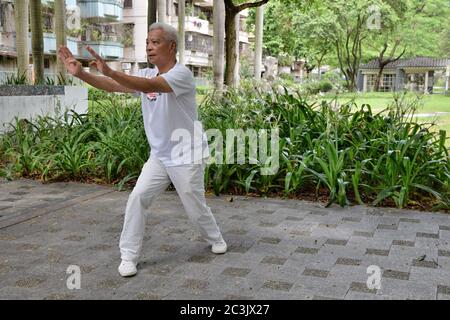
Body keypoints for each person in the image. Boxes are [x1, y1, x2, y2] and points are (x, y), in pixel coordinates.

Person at [58, 22, 227, 278]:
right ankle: (129, 256)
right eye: (147, 42)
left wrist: (112, 71)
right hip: (159, 156)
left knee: (194, 207)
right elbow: (114, 86)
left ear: (171, 46)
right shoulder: (147, 76)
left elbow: (149, 87)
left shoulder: (182, 75)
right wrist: (81, 73)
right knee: (138, 198)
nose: (149, 47)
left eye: (155, 42)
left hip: (187, 154)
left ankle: (214, 237)